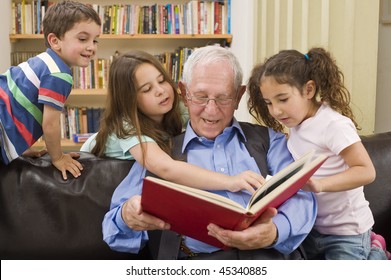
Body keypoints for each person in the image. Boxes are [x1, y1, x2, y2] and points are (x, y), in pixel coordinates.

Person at [102, 45, 317, 259]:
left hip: (266, 258)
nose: (211, 110)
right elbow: (111, 230)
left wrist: (275, 231)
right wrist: (126, 215)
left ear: (239, 96)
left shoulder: (269, 141)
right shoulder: (159, 154)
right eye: (201, 97)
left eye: (223, 98)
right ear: (185, 94)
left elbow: (301, 194)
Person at [247, 47, 390, 260]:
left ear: (309, 90)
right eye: (269, 103)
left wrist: (320, 185)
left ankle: (377, 251)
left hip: (346, 232)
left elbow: (366, 171)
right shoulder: (296, 124)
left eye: (283, 99)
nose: (275, 111)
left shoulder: (334, 125)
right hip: (312, 229)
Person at [81, 50, 266, 193]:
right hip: (91, 176)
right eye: (147, 89)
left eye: (162, 80)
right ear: (130, 100)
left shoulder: (176, 108)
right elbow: (165, 168)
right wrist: (230, 181)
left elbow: (216, 116)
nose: (160, 91)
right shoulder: (126, 127)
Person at [0, 0, 101, 180]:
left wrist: (21, 146)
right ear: (55, 41)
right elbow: (50, 124)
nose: (91, 47)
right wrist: (58, 157)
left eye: (95, 40)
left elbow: (17, 102)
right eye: (83, 39)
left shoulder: (44, 61)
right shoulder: (59, 74)